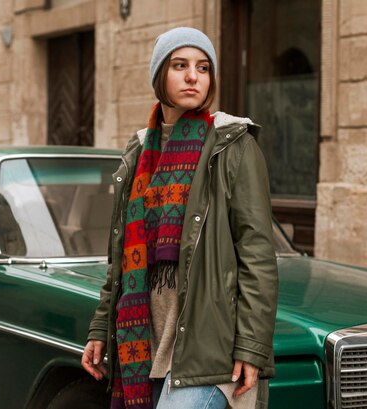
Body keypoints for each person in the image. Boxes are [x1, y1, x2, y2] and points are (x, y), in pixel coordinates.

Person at [82, 27, 278, 409]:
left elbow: (257, 254)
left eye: (203, 68)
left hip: (209, 349)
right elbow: (120, 259)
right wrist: (99, 328)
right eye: (180, 65)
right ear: (160, 75)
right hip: (144, 344)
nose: (193, 76)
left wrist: (252, 346)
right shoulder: (139, 152)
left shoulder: (233, 145)